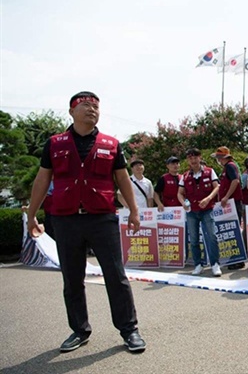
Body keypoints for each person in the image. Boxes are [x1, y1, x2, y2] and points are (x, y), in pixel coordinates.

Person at [26, 91, 145, 353]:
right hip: (65, 220)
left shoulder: (111, 144)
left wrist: (134, 211)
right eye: (85, 105)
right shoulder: (54, 143)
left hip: (102, 218)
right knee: (72, 278)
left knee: (116, 276)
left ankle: (129, 330)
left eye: (95, 106)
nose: (92, 109)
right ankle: (79, 330)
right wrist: (31, 213)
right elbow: (42, 179)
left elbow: (123, 179)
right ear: (71, 112)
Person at [178, 148, 222, 277]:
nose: (193, 160)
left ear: (200, 157)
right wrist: (183, 203)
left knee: (212, 236)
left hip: (207, 209)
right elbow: (180, 193)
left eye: (195, 157)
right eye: (190, 158)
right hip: (192, 211)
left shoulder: (209, 171)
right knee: (194, 239)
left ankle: (215, 264)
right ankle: (198, 264)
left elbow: (217, 187)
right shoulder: (185, 176)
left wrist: (208, 198)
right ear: (188, 160)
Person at [211, 146, 245, 269]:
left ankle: (238, 260)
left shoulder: (230, 166)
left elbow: (235, 181)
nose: (218, 160)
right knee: (231, 231)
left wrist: (226, 196)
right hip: (230, 203)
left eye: (219, 157)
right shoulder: (227, 168)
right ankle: (234, 259)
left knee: (234, 230)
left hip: (233, 202)